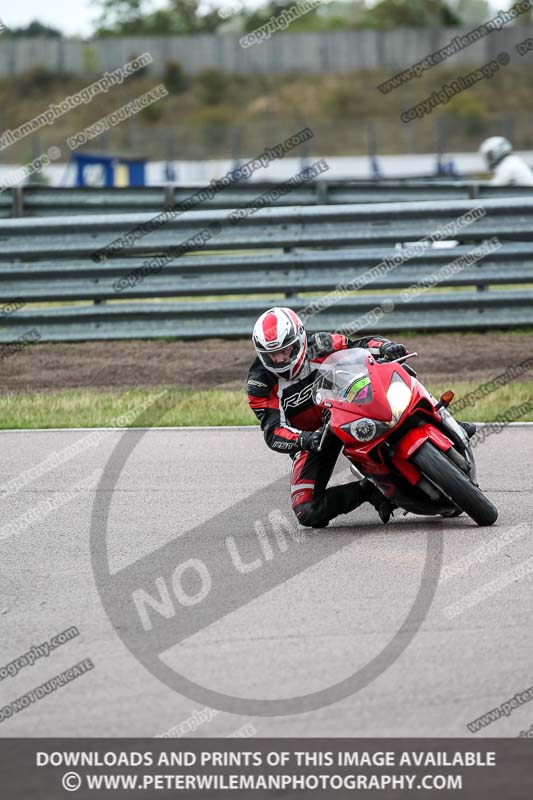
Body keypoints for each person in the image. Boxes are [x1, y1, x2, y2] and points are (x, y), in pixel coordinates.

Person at [246, 306, 406, 529]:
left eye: (287, 350)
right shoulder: (259, 383)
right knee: (306, 510)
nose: (281, 359)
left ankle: (441, 419)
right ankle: (370, 489)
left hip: (348, 409)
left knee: (397, 372)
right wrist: (305, 439)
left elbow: (357, 345)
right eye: (273, 355)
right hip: (314, 438)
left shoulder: (319, 344)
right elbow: (273, 432)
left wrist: (386, 347)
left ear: (300, 340)